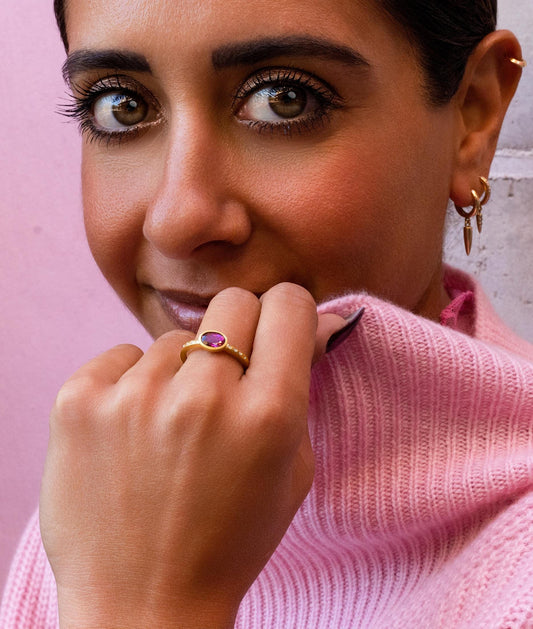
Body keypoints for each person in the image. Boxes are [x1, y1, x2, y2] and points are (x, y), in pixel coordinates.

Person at [1, 0, 532, 627]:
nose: (176, 220)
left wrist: (148, 604)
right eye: (122, 107)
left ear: (474, 115)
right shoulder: (106, 479)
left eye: (284, 99)